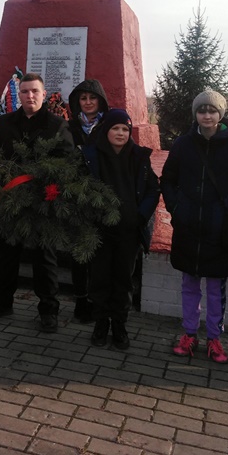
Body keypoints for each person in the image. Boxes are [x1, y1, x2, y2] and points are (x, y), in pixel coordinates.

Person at [0, 73, 74, 332]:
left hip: (42, 203)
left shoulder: (56, 125)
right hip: (11, 201)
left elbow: (66, 161)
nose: (30, 96)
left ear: (43, 94)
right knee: (7, 254)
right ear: (19, 95)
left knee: (45, 259)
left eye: (35, 91)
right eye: (25, 91)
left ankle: (48, 311)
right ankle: (2, 302)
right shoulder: (7, 123)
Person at [161, 91, 228, 363]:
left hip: (219, 228)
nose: (207, 115)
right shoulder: (183, 145)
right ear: (196, 114)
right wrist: (176, 207)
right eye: (202, 110)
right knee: (189, 284)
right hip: (188, 225)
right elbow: (168, 179)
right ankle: (189, 333)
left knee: (216, 288)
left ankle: (214, 337)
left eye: (212, 110)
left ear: (221, 114)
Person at [81, 109, 160, 349]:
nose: (120, 133)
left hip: (128, 232)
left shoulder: (139, 157)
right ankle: (100, 324)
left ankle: (119, 325)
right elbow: (81, 188)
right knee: (100, 279)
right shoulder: (90, 157)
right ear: (106, 130)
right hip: (100, 231)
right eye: (115, 128)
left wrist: (140, 215)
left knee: (123, 280)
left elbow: (152, 190)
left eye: (125, 129)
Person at [67, 79, 109, 322]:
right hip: (77, 197)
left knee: (99, 254)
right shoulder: (70, 127)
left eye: (92, 98)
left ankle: (97, 300)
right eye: (83, 98)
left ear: (100, 100)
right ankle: (81, 300)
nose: (88, 102)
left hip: (101, 198)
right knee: (78, 253)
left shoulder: (109, 125)